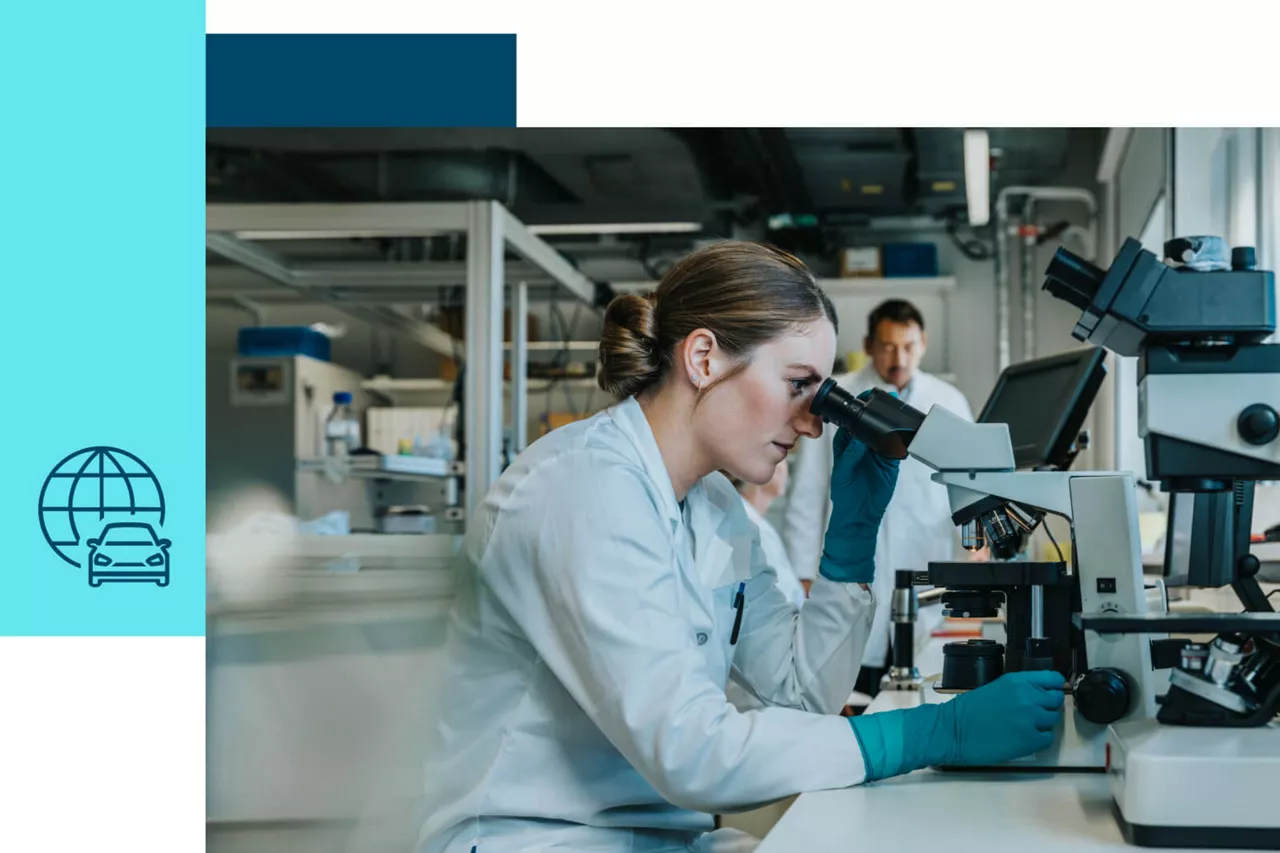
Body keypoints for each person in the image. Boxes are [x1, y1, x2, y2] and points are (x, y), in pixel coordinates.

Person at [415, 243, 1064, 853]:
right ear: (703, 359)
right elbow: (689, 748)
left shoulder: (712, 505)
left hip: (658, 833)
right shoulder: (580, 489)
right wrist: (930, 733)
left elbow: (798, 696)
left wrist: (849, 541)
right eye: (797, 385)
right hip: (535, 837)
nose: (813, 422)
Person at [784, 298, 974, 698]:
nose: (898, 357)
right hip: (855, 561)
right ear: (869, 344)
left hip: (924, 565)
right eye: (888, 346)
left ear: (922, 343)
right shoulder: (843, 398)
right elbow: (810, 489)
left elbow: (967, 484)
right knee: (851, 680)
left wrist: (976, 547)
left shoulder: (949, 402)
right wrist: (801, 570)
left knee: (920, 677)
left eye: (907, 346)